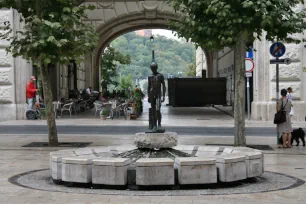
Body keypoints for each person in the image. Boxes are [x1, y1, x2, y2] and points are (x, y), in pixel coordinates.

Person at [148, 62, 166, 132]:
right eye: (152, 68)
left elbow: (164, 86)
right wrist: (149, 96)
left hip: (158, 94)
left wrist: (163, 96)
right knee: (153, 110)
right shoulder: (150, 76)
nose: (153, 69)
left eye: (154, 68)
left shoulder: (160, 75)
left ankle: (159, 124)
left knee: (158, 110)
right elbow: (149, 86)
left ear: (157, 68)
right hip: (152, 95)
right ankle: (154, 125)